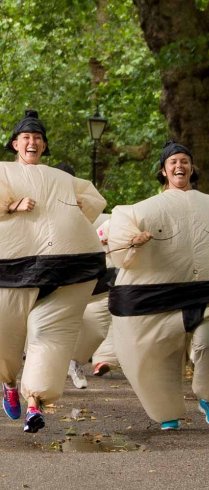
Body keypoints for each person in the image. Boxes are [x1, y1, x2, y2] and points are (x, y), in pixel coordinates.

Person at [108, 141, 209, 430]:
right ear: (163, 171)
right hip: (158, 294)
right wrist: (131, 242)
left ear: (192, 168)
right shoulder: (139, 212)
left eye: (185, 161)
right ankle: (167, 412)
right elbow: (120, 248)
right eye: (173, 161)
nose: (180, 166)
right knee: (154, 352)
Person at [0, 110, 107, 433]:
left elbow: (92, 201)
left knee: (51, 334)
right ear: (15, 143)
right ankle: (9, 383)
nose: (32, 142)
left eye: (38, 138)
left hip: (66, 267)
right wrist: (10, 206)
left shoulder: (64, 180)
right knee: (5, 336)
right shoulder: (3, 173)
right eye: (26, 137)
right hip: (12, 268)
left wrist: (70, 221)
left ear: (44, 146)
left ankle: (36, 402)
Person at [67, 213, 119, 389]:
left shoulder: (114, 222)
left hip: (103, 286)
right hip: (70, 285)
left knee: (96, 330)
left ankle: (75, 362)